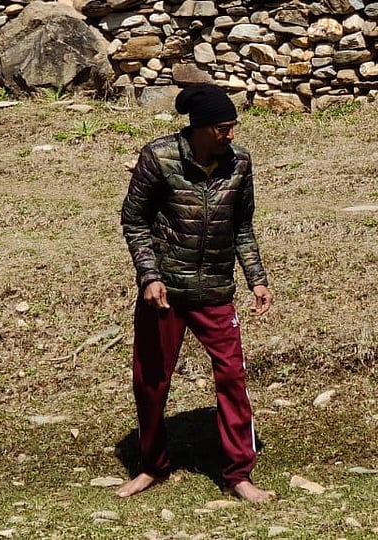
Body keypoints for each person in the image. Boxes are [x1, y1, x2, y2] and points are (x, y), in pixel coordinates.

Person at [116, 84, 274, 502]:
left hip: (216, 290)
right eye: (223, 128)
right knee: (151, 380)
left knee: (232, 377)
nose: (230, 135)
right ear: (199, 128)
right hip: (164, 292)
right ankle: (152, 466)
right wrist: (149, 276)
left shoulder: (240, 163)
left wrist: (257, 279)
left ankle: (239, 474)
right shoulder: (159, 156)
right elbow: (134, 221)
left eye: (233, 126)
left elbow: (242, 226)